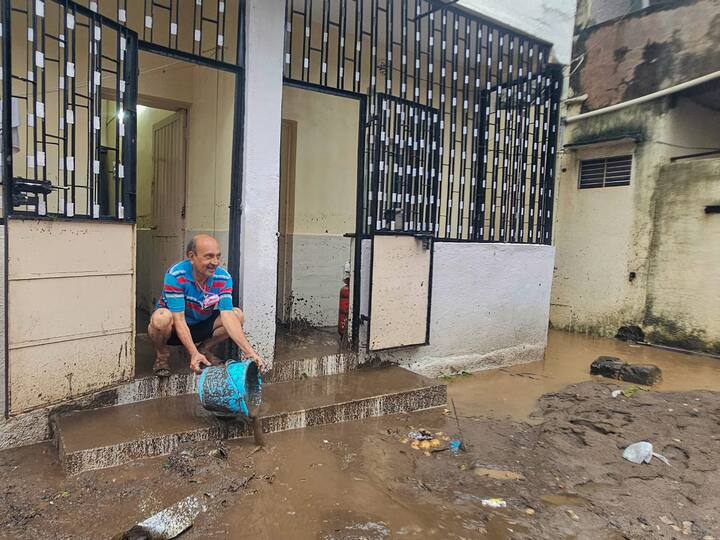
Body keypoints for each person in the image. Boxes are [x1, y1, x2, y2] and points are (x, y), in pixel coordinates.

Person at [148, 234, 266, 376]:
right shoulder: (176, 275)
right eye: (209, 256)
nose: (215, 262)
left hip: (201, 324)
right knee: (161, 317)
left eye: (217, 256)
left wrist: (250, 353)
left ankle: (203, 350)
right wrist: (192, 354)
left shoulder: (223, 278)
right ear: (191, 256)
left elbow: (227, 314)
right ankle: (162, 356)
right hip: (174, 327)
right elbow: (178, 319)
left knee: (237, 315)